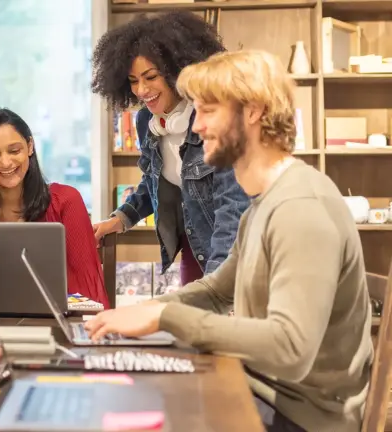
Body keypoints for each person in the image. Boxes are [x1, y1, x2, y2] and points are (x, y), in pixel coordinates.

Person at [85, 50, 372, 432]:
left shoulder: (301, 208)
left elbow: (291, 347)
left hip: (301, 415)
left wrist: (166, 317)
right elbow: (219, 292)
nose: (196, 126)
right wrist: (146, 311)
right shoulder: (264, 203)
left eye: (207, 111)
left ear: (252, 111)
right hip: (265, 389)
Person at [90, 11, 249, 285]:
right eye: (132, 80)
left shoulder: (213, 119)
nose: (141, 90)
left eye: (150, 77)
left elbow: (232, 207)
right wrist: (120, 219)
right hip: (195, 246)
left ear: (178, 70)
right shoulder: (145, 121)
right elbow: (154, 179)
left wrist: (214, 285)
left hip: (235, 251)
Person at [0, 108, 110, 308]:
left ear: (30, 146)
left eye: (15, 151)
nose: (6, 162)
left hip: (56, 323)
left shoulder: (66, 201)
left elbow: (90, 291)